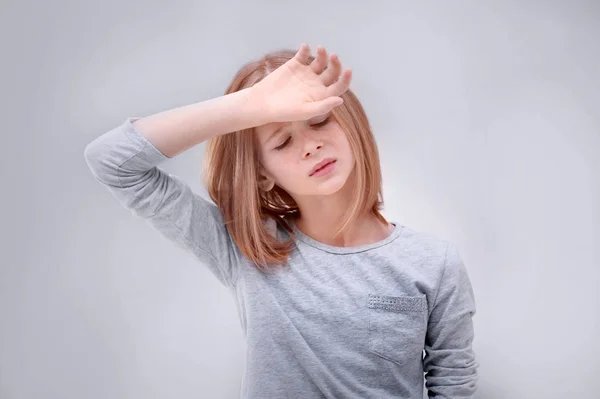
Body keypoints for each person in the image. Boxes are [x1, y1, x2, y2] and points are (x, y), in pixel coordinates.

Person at [84, 43, 478, 398]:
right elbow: (113, 162)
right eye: (282, 141)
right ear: (262, 173)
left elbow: (453, 386)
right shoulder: (243, 249)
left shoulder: (434, 263)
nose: (311, 146)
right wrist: (249, 106)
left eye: (319, 121)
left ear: (350, 120)